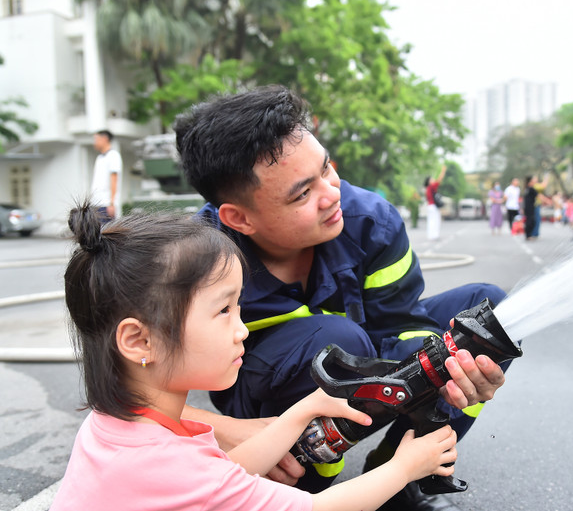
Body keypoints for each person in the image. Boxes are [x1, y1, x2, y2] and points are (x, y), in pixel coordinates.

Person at [174, 86, 508, 511]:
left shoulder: (371, 222)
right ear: (239, 218)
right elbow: (123, 394)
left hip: (364, 370)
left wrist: (452, 372)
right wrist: (228, 431)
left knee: (487, 318)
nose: (332, 194)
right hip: (259, 406)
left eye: (326, 168)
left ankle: (398, 477)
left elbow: (400, 330)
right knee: (336, 340)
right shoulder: (187, 264)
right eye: (302, 194)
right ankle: (302, 494)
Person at [51, 202, 458, 511]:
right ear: (140, 342)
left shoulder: (116, 427)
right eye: (224, 310)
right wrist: (405, 467)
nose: (242, 329)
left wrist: (301, 412)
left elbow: (225, 472)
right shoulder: (163, 464)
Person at [90, 129, 122, 223]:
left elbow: (114, 179)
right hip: (96, 203)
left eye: (96, 139)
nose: (94, 142)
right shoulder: (99, 158)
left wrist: (112, 203)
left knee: (106, 233)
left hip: (106, 204)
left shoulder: (113, 156)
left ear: (104, 139)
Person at [424, 164, 447, 240]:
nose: (433, 180)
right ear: (429, 182)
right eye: (432, 179)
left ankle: (431, 235)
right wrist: (443, 171)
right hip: (433, 206)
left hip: (429, 206)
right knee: (435, 220)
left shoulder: (427, 188)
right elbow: (439, 179)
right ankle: (434, 235)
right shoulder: (431, 187)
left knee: (431, 221)